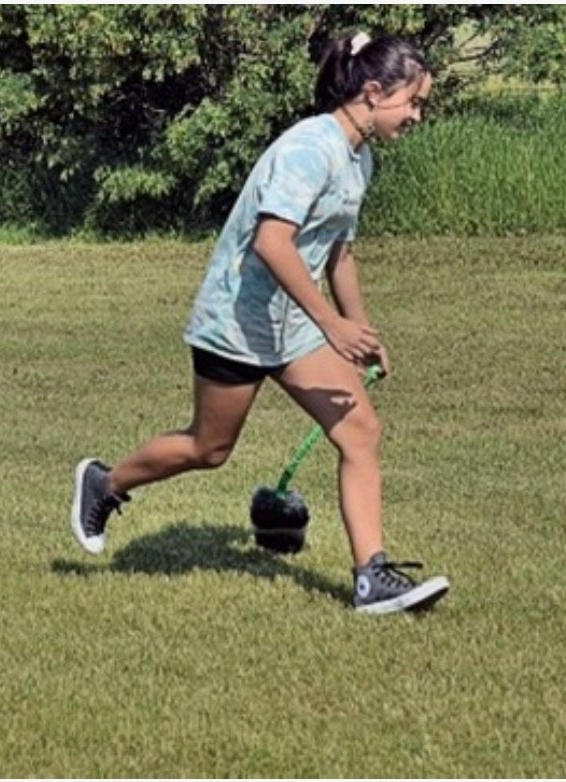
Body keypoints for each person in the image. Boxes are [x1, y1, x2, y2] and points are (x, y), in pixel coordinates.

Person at [69, 32, 450, 614]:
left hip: (294, 325)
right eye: (412, 101)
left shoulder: (358, 157)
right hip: (238, 323)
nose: (417, 115)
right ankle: (107, 482)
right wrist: (331, 324)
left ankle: (371, 577)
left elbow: (338, 252)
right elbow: (274, 243)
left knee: (360, 432)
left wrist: (360, 330)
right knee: (209, 447)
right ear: (373, 92)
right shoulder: (309, 149)